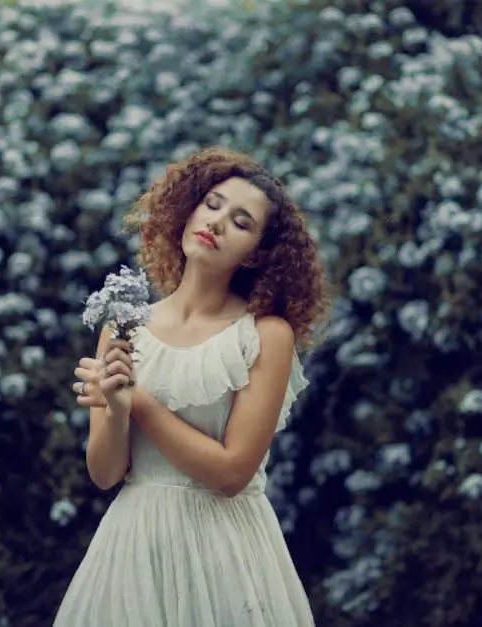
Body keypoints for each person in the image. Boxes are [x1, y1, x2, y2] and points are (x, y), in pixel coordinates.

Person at [54, 146, 331, 626]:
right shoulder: (123, 328)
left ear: (258, 254)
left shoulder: (265, 335)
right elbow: (104, 474)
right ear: (188, 211)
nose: (218, 222)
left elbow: (230, 474)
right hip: (133, 551)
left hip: (225, 556)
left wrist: (136, 401)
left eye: (242, 223)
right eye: (214, 204)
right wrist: (115, 410)